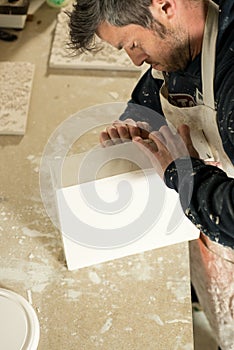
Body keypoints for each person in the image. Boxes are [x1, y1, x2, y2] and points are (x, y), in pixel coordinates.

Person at [68, 1, 234, 349]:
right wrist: (139, 121)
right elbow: (158, 88)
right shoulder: (183, 39)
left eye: (131, 43)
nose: (135, 58)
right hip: (207, 232)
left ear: (165, 6)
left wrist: (183, 174)